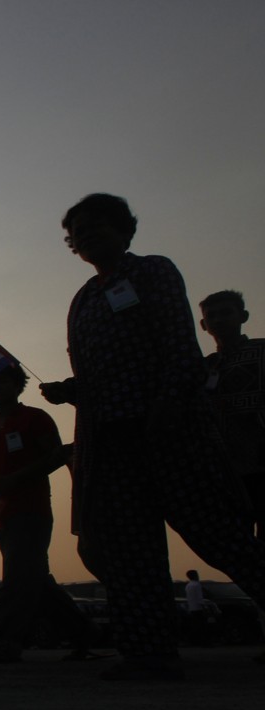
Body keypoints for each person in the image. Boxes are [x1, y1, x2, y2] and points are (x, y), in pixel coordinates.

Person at [40, 193, 265, 680]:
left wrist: (167, 407)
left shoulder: (153, 273)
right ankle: (149, 652)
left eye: (99, 226)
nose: (88, 236)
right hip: (112, 440)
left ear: (125, 231)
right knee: (131, 549)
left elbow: (179, 345)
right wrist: (71, 390)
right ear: (72, 245)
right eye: (79, 232)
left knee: (221, 536)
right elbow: (100, 372)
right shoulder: (84, 300)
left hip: (170, 429)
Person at [0, 364, 96, 663]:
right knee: (35, 581)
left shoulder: (35, 418)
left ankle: (7, 643)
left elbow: (58, 455)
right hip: (2, 514)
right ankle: (82, 631)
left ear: (17, 385)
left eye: (2, 382)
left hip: (32, 511)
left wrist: (18, 478)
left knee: (17, 578)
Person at [199, 290, 265, 539]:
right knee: (238, 539)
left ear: (243, 316)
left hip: (260, 458)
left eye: (226, 313)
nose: (218, 320)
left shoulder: (261, 351)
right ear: (204, 325)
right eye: (211, 316)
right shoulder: (205, 366)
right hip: (224, 467)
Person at [184, 569, 208, 646]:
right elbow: (199, 598)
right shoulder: (197, 585)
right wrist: (204, 607)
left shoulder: (188, 585)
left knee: (195, 626)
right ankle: (203, 642)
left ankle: (193, 641)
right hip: (198, 608)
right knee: (202, 626)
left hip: (192, 608)